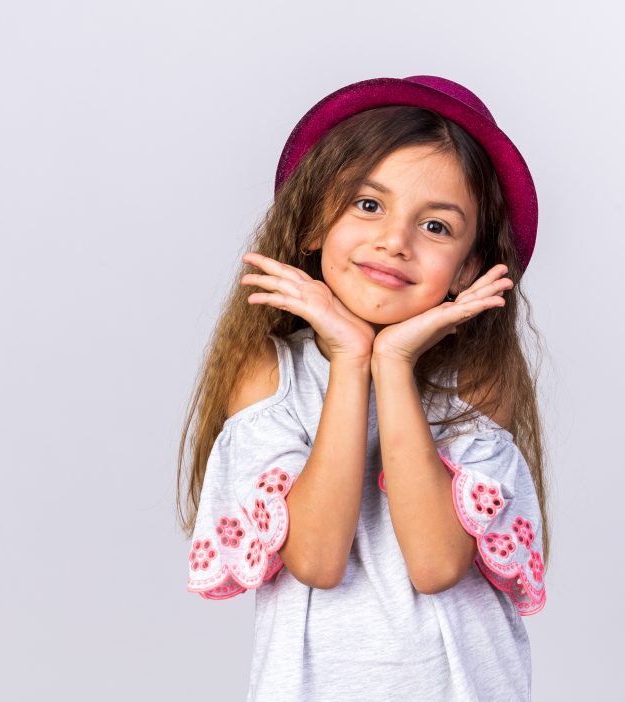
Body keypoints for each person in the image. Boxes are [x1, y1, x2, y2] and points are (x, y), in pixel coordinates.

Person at [176, 75, 551, 701]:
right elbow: (317, 560)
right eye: (368, 205)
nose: (394, 242)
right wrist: (352, 359)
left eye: (436, 226)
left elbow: (436, 564)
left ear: (466, 269)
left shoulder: (477, 377)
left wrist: (394, 362)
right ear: (314, 222)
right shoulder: (268, 370)